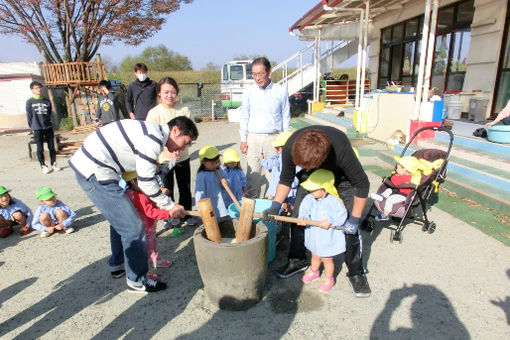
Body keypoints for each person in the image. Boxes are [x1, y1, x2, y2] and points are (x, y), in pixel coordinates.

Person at [69, 116, 198, 293]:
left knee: (120, 222)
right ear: (175, 130)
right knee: (134, 226)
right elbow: (146, 182)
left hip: (96, 168)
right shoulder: (152, 138)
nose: (184, 147)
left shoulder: (152, 134)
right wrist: (170, 206)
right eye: (186, 142)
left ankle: (118, 265)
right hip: (96, 171)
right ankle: (137, 281)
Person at [263, 126, 371, 298]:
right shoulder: (292, 146)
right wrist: (276, 204)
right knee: (298, 217)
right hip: (312, 178)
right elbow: (286, 178)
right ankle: (298, 260)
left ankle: (355, 271)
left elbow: (362, 184)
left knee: (349, 224)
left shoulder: (341, 148)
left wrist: (355, 218)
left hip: (342, 177)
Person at [240, 57, 290, 198]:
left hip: (274, 138)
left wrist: (285, 140)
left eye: (260, 73)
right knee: (253, 174)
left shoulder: (280, 91)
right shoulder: (249, 92)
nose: (257, 78)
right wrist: (243, 139)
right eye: (254, 74)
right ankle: (252, 210)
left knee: (273, 174)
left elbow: (286, 116)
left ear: (269, 72)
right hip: (253, 137)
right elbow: (244, 116)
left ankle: (271, 209)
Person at [146, 77, 193, 227]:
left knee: (184, 188)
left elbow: (191, 134)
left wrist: (181, 149)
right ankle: (169, 216)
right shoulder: (154, 113)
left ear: (177, 94)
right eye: (166, 92)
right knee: (167, 189)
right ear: (159, 93)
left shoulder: (184, 110)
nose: (169, 95)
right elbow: (150, 139)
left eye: (173, 92)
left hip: (182, 158)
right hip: (164, 160)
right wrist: (166, 153)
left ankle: (186, 214)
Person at [297, 169, 348, 293]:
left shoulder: (334, 201)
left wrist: (330, 221)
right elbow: (304, 209)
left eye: (314, 189)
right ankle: (314, 271)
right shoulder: (309, 199)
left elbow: (342, 214)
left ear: (325, 190)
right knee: (314, 254)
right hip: (314, 234)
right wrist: (303, 217)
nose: (311, 191)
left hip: (327, 236)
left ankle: (328, 278)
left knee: (327, 258)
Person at [123, 172, 172, 271]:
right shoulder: (140, 196)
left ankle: (155, 259)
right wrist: (168, 213)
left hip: (143, 227)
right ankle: (147, 270)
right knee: (147, 249)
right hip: (145, 227)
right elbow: (150, 212)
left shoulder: (128, 193)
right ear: (133, 182)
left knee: (152, 244)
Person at [26, 81, 61, 174]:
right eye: (36, 88)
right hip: (37, 128)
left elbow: (49, 113)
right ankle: (43, 165)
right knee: (40, 148)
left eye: (40, 87)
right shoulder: (30, 102)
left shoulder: (46, 101)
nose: (39, 89)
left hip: (48, 126)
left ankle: (53, 163)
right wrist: (32, 128)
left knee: (51, 147)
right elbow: (29, 116)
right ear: (32, 90)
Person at [371, 156, 416, 221]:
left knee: (390, 199)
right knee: (389, 190)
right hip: (397, 192)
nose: (396, 169)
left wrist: (395, 176)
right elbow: (394, 180)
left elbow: (395, 182)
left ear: (404, 170)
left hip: (404, 196)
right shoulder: (401, 176)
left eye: (397, 168)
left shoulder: (408, 178)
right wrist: (396, 176)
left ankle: (385, 215)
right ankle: (382, 196)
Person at [195, 145, 229, 218]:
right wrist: (201, 208)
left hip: (221, 202)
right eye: (212, 163)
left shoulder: (220, 171)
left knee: (222, 220)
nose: (215, 165)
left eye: (217, 162)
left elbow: (226, 182)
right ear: (203, 162)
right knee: (212, 222)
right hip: (209, 205)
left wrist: (226, 181)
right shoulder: (201, 176)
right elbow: (200, 193)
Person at [261, 131, 293, 200]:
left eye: (279, 147)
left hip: (279, 190)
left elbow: (269, 164)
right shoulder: (287, 157)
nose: (277, 149)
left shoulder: (281, 159)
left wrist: (262, 160)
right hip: (284, 189)